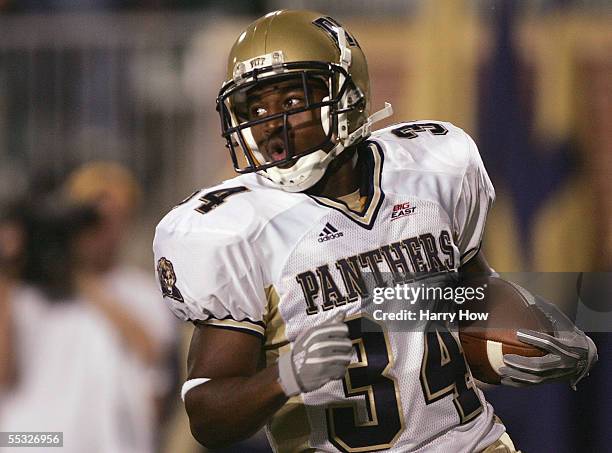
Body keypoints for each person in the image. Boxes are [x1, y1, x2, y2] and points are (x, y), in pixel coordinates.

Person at [153, 10, 597, 452]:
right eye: (255, 109)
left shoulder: (431, 166)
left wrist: (537, 325)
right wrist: (282, 378)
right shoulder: (235, 229)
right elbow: (207, 417)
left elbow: (469, 287)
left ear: (347, 96)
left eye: (291, 102)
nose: (270, 125)